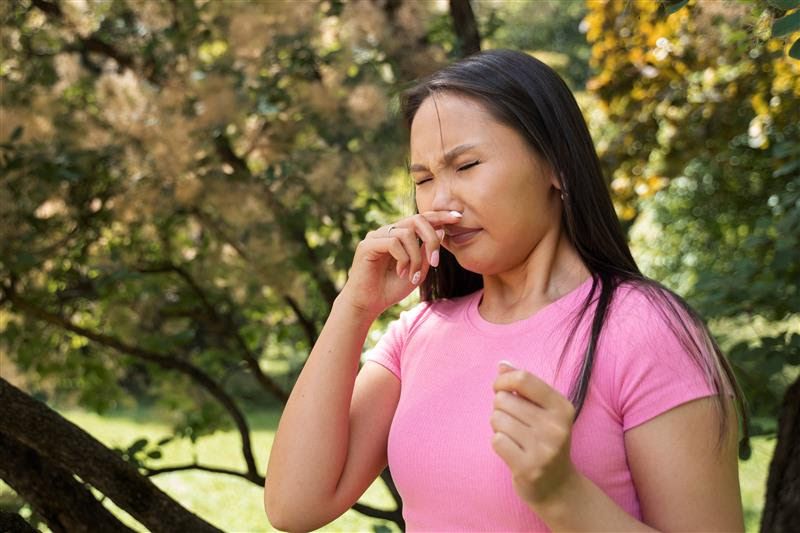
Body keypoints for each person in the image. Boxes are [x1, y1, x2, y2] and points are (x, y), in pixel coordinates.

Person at [264, 49, 746, 532]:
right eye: (424, 179)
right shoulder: (419, 334)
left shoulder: (644, 329)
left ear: (556, 165)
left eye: (467, 165)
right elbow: (295, 506)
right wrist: (354, 305)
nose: (442, 202)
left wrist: (563, 494)